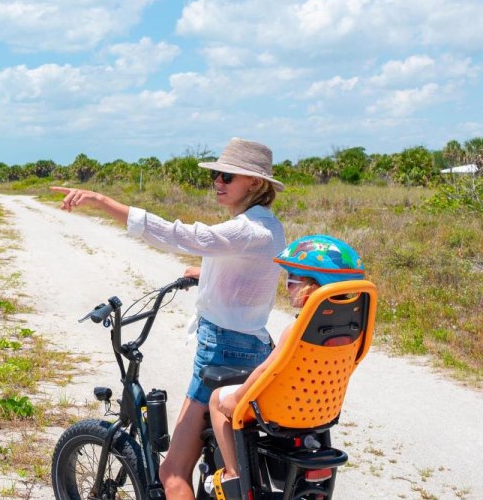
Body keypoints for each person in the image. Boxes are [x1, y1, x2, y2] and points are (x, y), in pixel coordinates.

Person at [52, 138, 287, 500]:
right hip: (254, 346)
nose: (218, 184)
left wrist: (101, 201)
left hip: (222, 350)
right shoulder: (267, 226)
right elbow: (243, 269)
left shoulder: (243, 230)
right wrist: (205, 272)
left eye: (227, 176)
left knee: (173, 471)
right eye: (216, 177)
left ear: (254, 183)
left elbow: (179, 235)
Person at [207, 235, 367, 500]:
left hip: (282, 408)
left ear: (310, 286)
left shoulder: (297, 329)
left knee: (217, 400)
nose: (287, 286)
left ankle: (232, 476)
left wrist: (236, 398)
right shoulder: (351, 330)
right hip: (322, 410)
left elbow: (266, 370)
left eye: (292, 279)